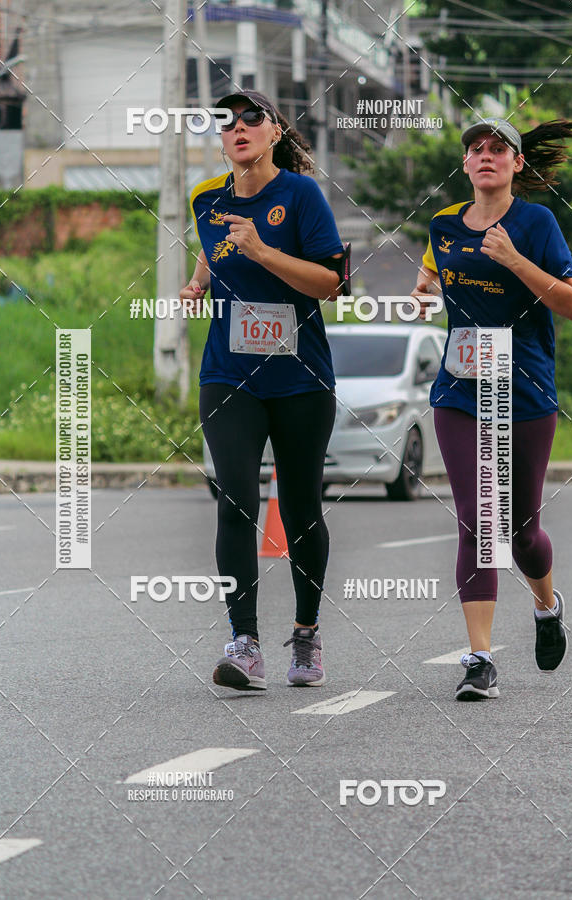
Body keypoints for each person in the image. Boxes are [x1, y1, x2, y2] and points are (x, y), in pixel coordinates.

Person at [412, 116, 572, 700]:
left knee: (523, 530)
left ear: (516, 164)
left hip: (523, 389)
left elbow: (571, 304)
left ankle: (546, 605)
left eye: (498, 149)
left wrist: (513, 259)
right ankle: (479, 658)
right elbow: (430, 282)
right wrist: (421, 297)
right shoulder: (442, 226)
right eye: (476, 148)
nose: (485, 155)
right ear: (465, 164)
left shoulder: (535, 223)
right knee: (478, 522)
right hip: (460, 391)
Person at [181, 90, 346, 691]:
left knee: (300, 508)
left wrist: (261, 251)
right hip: (229, 376)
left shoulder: (301, 196)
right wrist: (198, 280)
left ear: (275, 132)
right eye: (228, 121)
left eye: (253, 118)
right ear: (222, 139)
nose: (240, 127)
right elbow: (210, 249)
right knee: (235, 501)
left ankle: (305, 635)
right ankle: (243, 641)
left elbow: (331, 282)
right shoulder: (205, 198)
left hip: (300, 379)